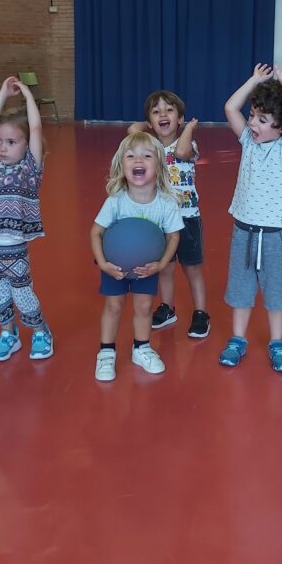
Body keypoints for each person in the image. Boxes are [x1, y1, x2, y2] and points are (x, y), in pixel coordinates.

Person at [218, 56, 282, 372]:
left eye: (263, 119)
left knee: (276, 291)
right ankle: (237, 339)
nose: (253, 123)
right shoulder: (248, 141)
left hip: (273, 234)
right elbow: (230, 108)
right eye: (253, 115)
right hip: (243, 229)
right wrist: (254, 81)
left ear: (279, 126)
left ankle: (277, 342)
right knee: (240, 289)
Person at [90, 131, 183, 382]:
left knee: (144, 307)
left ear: (159, 165)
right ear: (122, 165)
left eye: (147, 156)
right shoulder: (116, 201)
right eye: (130, 156)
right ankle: (106, 353)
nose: (138, 160)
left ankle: (141, 348)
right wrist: (103, 264)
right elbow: (96, 232)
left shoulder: (166, 203)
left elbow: (173, 237)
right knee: (113, 306)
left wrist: (160, 265)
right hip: (114, 267)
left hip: (147, 268)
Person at [0, 77, 54, 362]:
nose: (2, 147)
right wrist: (2, 94)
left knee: (22, 293)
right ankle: (9, 333)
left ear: (27, 144)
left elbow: (35, 127)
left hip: (13, 246)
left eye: (10, 142)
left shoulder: (30, 168)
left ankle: (40, 331)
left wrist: (28, 96)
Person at [127, 90, 210, 338]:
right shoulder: (150, 148)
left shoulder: (189, 144)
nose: (163, 114)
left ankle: (201, 313)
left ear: (180, 118)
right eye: (156, 112)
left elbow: (182, 151)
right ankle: (167, 307)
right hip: (161, 221)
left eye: (169, 110)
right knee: (165, 268)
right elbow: (132, 130)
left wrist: (189, 128)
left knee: (192, 269)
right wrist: (149, 125)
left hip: (187, 218)